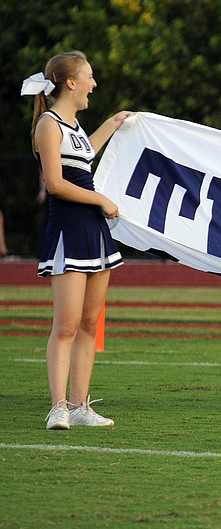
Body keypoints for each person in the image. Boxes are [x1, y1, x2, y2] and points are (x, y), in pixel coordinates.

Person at [21, 51, 134, 430]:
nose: (94, 83)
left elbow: (85, 157)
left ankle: (80, 405)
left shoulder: (74, 127)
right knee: (65, 325)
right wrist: (102, 199)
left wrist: (114, 123)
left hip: (94, 232)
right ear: (70, 83)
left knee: (89, 324)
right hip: (68, 230)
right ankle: (58, 407)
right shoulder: (48, 125)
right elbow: (56, 184)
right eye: (89, 76)